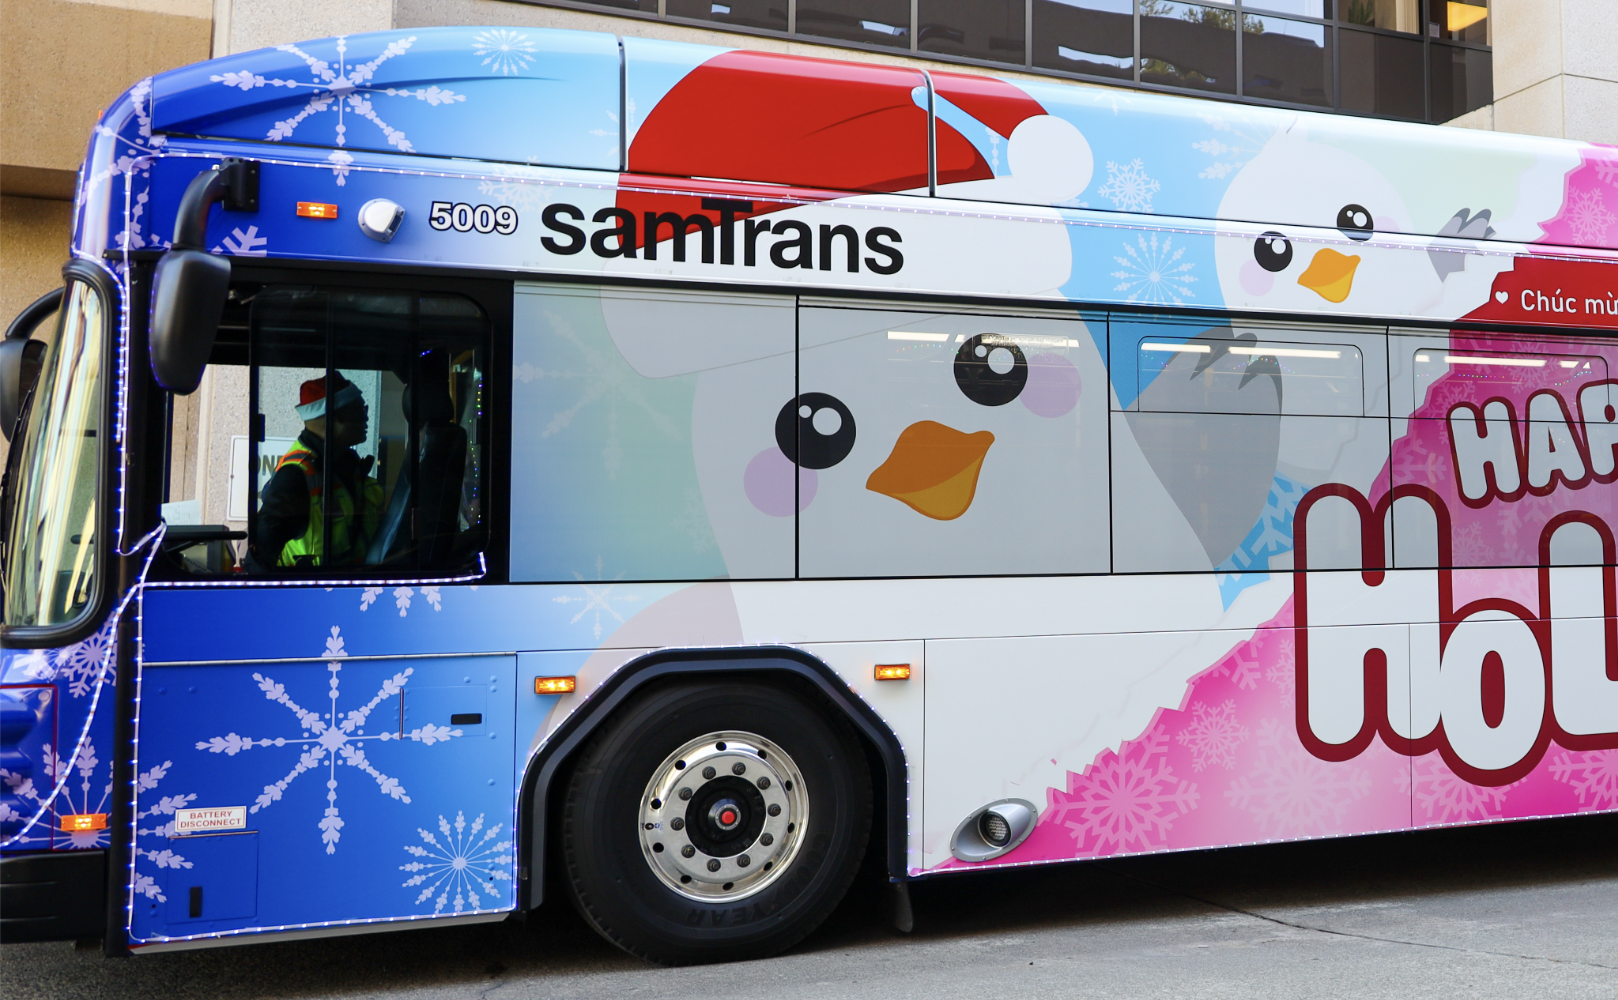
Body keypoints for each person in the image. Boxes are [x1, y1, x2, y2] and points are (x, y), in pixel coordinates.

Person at [252, 373, 383, 569]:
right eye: (360, 410)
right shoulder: (295, 476)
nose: (366, 417)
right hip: (309, 595)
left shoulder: (346, 466)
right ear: (335, 417)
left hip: (352, 589)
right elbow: (260, 558)